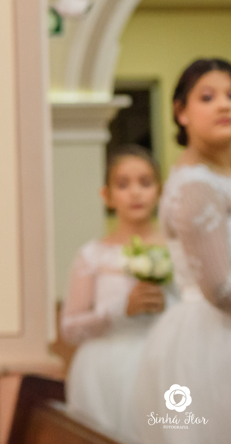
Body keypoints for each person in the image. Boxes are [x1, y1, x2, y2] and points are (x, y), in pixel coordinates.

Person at [135, 58, 231, 443]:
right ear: (181, 111)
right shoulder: (194, 187)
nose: (224, 104)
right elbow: (222, 289)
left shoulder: (217, 178)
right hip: (215, 335)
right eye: (207, 97)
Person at [60, 145, 169, 439]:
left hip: (162, 363)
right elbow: (69, 329)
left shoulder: (177, 250)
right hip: (103, 370)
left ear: (160, 190)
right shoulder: (92, 256)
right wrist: (121, 310)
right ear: (106, 195)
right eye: (123, 184)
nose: (135, 193)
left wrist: (168, 305)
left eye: (145, 183)